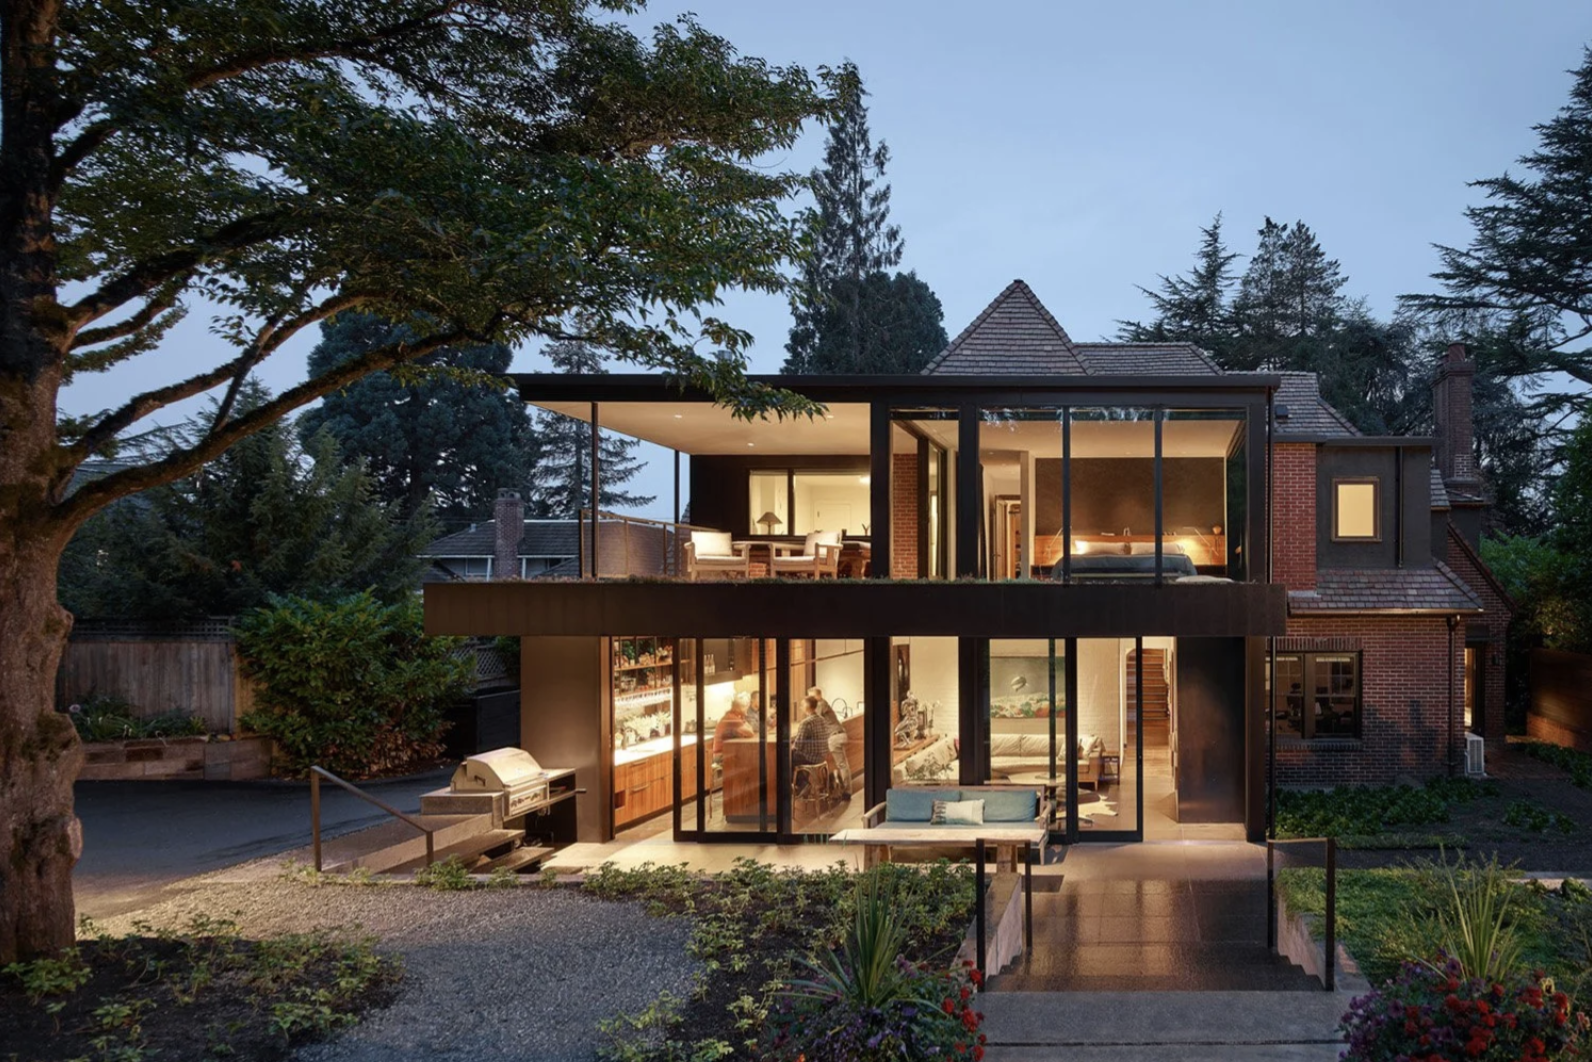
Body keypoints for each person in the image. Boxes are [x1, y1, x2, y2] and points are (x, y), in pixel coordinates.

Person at [791, 694, 836, 795]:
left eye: (802, 705)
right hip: (822, 757)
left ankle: (802, 784)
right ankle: (804, 787)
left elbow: (798, 745)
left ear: (807, 706)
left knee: (787, 758)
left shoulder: (806, 723)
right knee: (795, 757)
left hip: (811, 758)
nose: (800, 707)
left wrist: (791, 746)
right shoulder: (822, 719)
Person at [712, 691, 755, 761]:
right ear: (740, 707)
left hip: (725, 752)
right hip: (721, 755)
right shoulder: (732, 718)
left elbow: (749, 731)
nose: (747, 709)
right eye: (746, 707)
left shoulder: (733, 716)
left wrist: (743, 717)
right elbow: (750, 732)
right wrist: (744, 716)